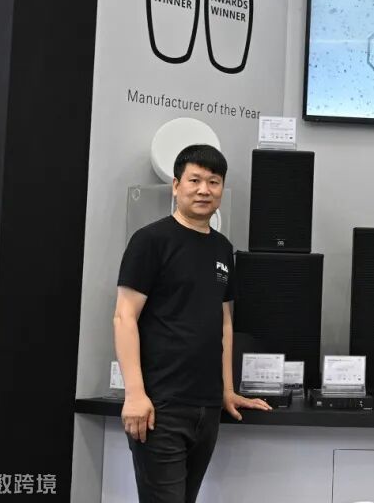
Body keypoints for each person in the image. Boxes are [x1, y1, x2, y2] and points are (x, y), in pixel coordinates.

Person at [113, 144, 270, 503]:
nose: (204, 190)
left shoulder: (222, 248)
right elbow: (124, 316)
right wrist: (135, 394)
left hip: (207, 406)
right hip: (160, 405)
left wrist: (226, 390)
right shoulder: (150, 240)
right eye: (194, 180)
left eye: (213, 182)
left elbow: (224, 322)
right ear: (175, 185)